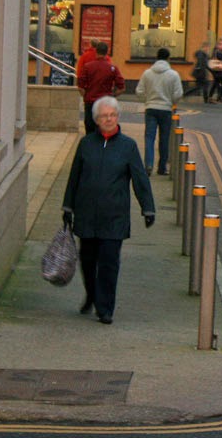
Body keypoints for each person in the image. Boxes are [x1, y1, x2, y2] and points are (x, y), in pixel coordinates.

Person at [61, 96, 156, 325]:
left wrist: (148, 208)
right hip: (86, 213)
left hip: (114, 216)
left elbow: (140, 179)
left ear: (118, 117)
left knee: (109, 262)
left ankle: (105, 308)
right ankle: (91, 295)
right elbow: (74, 177)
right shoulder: (86, 144)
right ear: (96, 119)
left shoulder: (128, 146)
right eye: (104, 116)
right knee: (88, 260)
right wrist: (68, 206)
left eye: (112, 115)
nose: (109, 119)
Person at [135, 48, 183, 175]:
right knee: (164, 139)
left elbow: (139, 91)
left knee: (149, 138)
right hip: (166, 109)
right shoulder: (173, 75)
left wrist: (147, 99)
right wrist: (171, 101)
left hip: (151, 108)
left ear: (157, 58)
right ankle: (162, 167)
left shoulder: (147, 73)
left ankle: (148, 165)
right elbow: (178, 94)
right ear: (168, 58)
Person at [76, 42, 124, 134]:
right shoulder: (112, 68)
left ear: (96, 52)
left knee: (90, 129)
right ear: (107, 52)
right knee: (105, 128)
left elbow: (80, 85)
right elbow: (121, 87)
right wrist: (112, 96)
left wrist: (85, 96)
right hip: (105, 102)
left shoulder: (87, 67)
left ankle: (91, 147)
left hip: (90, 101)